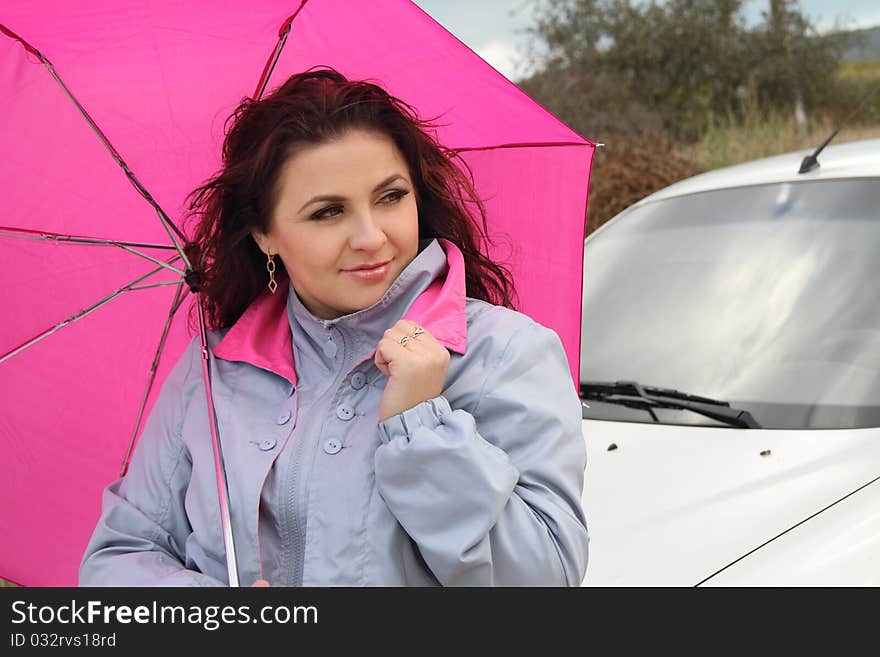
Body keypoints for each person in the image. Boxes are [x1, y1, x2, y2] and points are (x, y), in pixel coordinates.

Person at [78, 68, 589, 587]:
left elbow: (545, 580)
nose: (371, 237)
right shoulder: (212, 371)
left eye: (390, 197)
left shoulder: (504, 354)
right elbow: (121, 556)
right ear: (264, 235)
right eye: (328, 212)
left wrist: (422, 428)